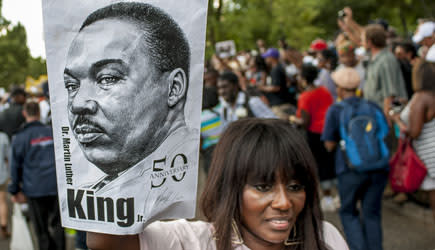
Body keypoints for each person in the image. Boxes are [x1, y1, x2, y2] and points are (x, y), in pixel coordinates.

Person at [86, 118, 349, 250]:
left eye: (294, 187)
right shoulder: (196, 242)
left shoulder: (326, 237)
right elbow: (103, 242)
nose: (283, 203)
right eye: (263, 187)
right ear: (230, 187)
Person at [63, 2, 196, 191]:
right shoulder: (91, 194)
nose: (77, 104)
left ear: (174, 88)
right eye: (71, 85)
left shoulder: (207, 184)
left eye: (108, 78)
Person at [322, 68, 389, 250]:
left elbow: (328, 143)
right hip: (378, 168)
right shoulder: (372, 106)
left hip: (349, 169)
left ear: (340, 89)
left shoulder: (336, 110)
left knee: (349, 212)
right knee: (372, 214)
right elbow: (385, 132)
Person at [8, 102, 65, 250]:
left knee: (41, 230)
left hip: (34, 189)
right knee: (58, 226)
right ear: (39, 113)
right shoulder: (51, 131)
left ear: (25, 114)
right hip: (55, 186)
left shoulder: (19, 138)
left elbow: (15, 167)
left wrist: (14, 190)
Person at [392, 61, 435, 221]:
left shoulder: (421, 98)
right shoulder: (431, 95)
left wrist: (396, 119)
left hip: (429, 155)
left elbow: (414, 132)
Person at [289, 64, 335, 211]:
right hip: (328, 130)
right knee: (329, 163)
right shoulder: (324, 91)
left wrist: (291, 119)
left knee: (319, 165)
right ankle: (334, 195)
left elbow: (305, 121)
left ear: (303, 79)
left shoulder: (305, 96)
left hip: (314, 134)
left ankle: (326, 197)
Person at [361, 24, 408, 121]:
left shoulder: (386, 60)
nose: (361, 42)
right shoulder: (374, 57)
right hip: (376, 114)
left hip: (385, 117)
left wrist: (387, 120)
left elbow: (390, 94)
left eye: (363, 40)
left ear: (369, 42)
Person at [259, 48, 293, 119]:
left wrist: (262, 88)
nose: (266, 60)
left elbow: (276, 87)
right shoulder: (279, 67)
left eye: (267, 57)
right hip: (283, 102)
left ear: (272, 58)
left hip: (279, 105)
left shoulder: (276, 69)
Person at [0, 130, 9, 238]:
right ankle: (3, 227)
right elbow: (8, 157)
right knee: (2, 202)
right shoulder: (3, 137)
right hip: (1, 175)